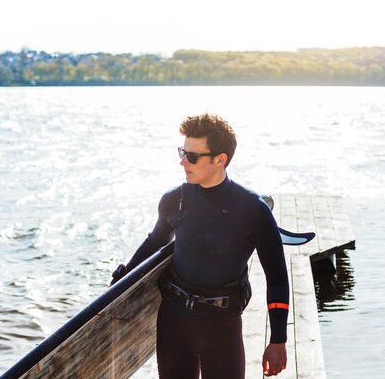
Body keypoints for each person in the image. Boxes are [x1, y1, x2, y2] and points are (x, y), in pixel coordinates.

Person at [111, 113, 289, 378]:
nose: (183, 162)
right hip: (174, 322)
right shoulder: (174, 200)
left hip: (222, 327)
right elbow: (155, 241)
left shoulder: (253, 210)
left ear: (220, 160)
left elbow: (276, 277)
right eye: (183, 152)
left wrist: (278, 339)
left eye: (192, 156)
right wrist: (124, 275)